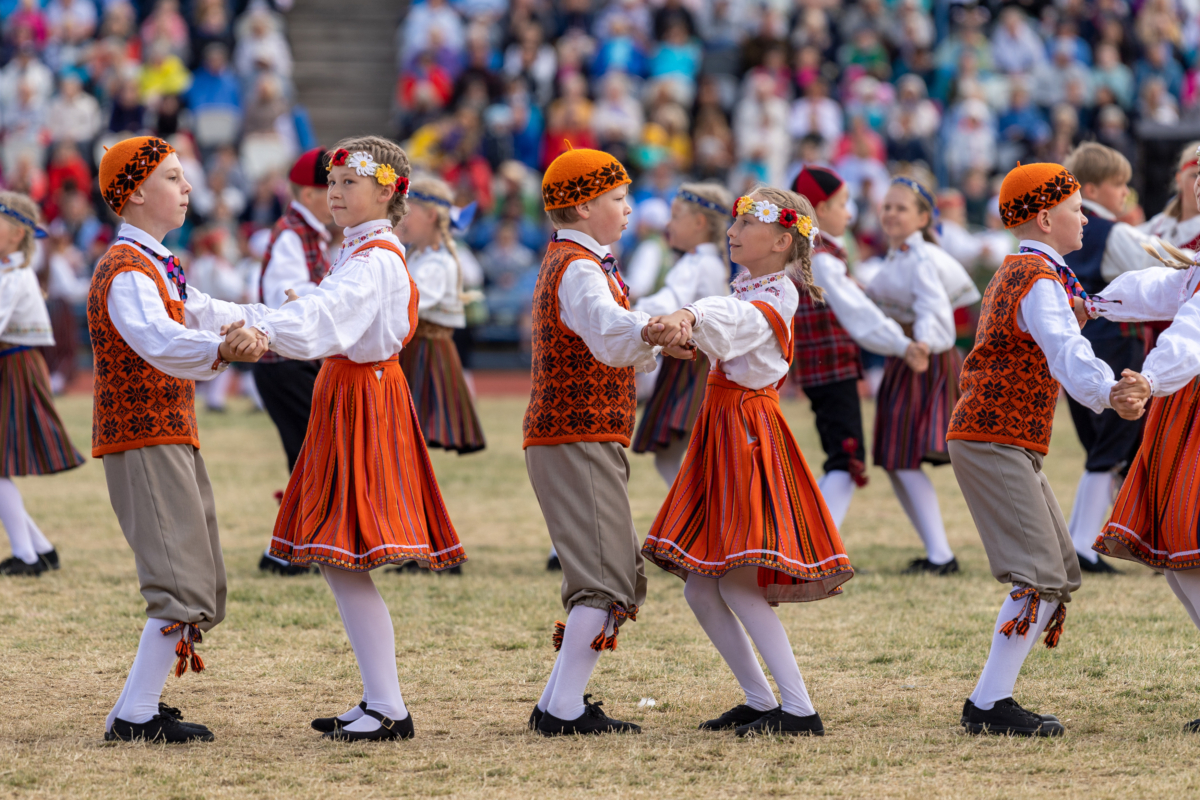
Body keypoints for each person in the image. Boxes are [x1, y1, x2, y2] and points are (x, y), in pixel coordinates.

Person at [242, 138, 467, 742]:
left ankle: (387, 704)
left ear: (387, 190)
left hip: (362, 394)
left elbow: (328, 319)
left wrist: (257, 324)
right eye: (332, 183)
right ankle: (381, 700)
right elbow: (329, 307)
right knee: (336, 556)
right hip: (351, 391)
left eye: (348, 183)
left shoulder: (374, 258)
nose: (335, 192)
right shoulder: (363, 251)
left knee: (341, 552)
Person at [642, 187, 854, 737]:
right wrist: (680, 329)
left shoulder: (775, 295)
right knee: (700, 587)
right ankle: (762, 699)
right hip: (724, 425)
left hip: (746, 432)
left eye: (745, 225)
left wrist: (690, 315)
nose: (732, 232)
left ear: (782, 242)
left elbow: (733, 322)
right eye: (733, 222)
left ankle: (800, 709)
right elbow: (725, 328)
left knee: (737, 583)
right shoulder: (751, 287)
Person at [948, 162, 1149, 737]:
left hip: (1003, 438)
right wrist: (1108, 392)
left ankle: (989, 701)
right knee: (1040, 573)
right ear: (1044, 217)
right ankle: (989, 704)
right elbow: (1064, 351)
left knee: (1058, 572)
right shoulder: (1036, 278)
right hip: (993, 437)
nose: (1085, 219)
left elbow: (1059, 336)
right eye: (1077, 210)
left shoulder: (1033, 273)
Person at [89, 136, 272, 744]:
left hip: (167, 432)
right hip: (143, 435)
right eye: (172, 177)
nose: (187, 186)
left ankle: (135, 709)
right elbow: (160, 340)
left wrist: (269, 324)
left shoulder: (155, 266)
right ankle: (134, 716)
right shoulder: (126, 271)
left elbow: (206, 311)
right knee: (179, 578)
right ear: (136, 193)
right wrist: (225, 347)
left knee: (201, 578)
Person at [524, 145, 667, 736]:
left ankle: (556, 702)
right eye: (618, 198)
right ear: (583, 206)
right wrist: (652, 330)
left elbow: (610, 334)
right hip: (575, 432)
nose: (629, 208)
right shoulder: (580, 268)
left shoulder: (577, 262)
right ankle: (562, 710)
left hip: (579, 432)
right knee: (604, 575)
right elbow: (608, 333)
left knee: (609, 568)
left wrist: (650, 334)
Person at [1090, 224, 1200, 733]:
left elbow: (1192, 329)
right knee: (1180, 561)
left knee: (1188, 553)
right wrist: (1094, 304)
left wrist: (1151, 378)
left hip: (1188, 403)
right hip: (1183, 406)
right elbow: (1162, 288)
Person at [790, 166, 928, 527]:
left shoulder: (812, 254)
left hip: (823, 368)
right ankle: (814, 545)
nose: (849, 214)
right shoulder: (820, 258)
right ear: (820, 209)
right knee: (846, 461)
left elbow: (857, 296)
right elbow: (856, 310)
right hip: (832, 368)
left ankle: (809, 539)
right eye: (842, 204)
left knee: (842, 458)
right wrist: (900, 344)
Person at [864, 176, 980, 574]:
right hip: (909, 354)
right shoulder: (899, 256)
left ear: (923, 218)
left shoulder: (921, 258)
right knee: (896, 458)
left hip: (922, 357)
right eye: (887, 206)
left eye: (901, 208)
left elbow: (934, 310)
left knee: (903, 456)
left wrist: (924, 345)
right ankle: (937, 552)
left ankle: (941, 554)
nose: (891, 214)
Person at [1061, 142, 1166, 574]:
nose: (1125, 193)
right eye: (1118, 184)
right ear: (1091, 189)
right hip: (1119, 346)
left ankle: (1133, 537)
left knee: (1108, 447)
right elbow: (1161, 274)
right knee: (1112, 446)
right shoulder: (1116, 233)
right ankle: (1082, 546)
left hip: (1076, 345)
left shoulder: (1061, 235)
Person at [253, 147, 334, 577]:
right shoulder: (291, 235)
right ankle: (288, 552)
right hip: (282, 362)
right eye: (331, 186)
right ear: (307, 194)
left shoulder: (308, 234)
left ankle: (287, 551)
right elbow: (282, 296)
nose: (338, 195)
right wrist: (335, 293)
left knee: (308, 454)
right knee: (311, 454)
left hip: (290, 361)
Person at [0, 191, 84, 576]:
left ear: (17, 233)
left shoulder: (16, 277)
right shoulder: (9, 273)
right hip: (11, 363)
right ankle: (40, 550)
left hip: (15, 365)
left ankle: (28, 556)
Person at [631, 182, 732, 485]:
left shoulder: (697, 262)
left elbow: (670, 300)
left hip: (694, 363)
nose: (668, 224)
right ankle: (699, 508)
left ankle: (698, 510)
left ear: (699, 223)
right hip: (696, 361)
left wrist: (628, 311)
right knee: (682, 454)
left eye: (675, 216)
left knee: (675, 455)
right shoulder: (708, 261)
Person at [395, 176, 486, 455]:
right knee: (404, 427)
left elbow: (414, 301)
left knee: (413, 424)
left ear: (431, 216)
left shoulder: (438, 261)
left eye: (408, 212)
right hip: (416, 347)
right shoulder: (417, 256)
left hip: (427, 349)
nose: (401, 218)